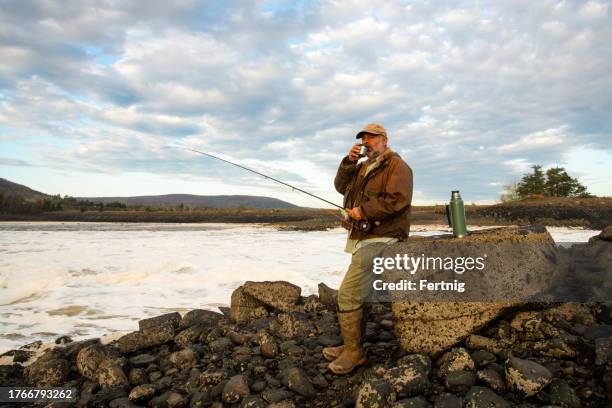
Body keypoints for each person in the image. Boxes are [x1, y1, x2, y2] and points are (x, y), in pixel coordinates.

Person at [324, 123, 413, 374]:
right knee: (359, 293)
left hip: (383, 238)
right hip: (363, 236)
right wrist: (349, 162)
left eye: (372, 138)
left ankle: (355, 353)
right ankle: (353, 345)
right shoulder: (363, 167)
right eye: (364, 139)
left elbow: (398, 200)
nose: (367, 142)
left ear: (384, 139)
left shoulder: (397, 165)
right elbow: (342, 187)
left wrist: (363, 211)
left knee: (348, 293)